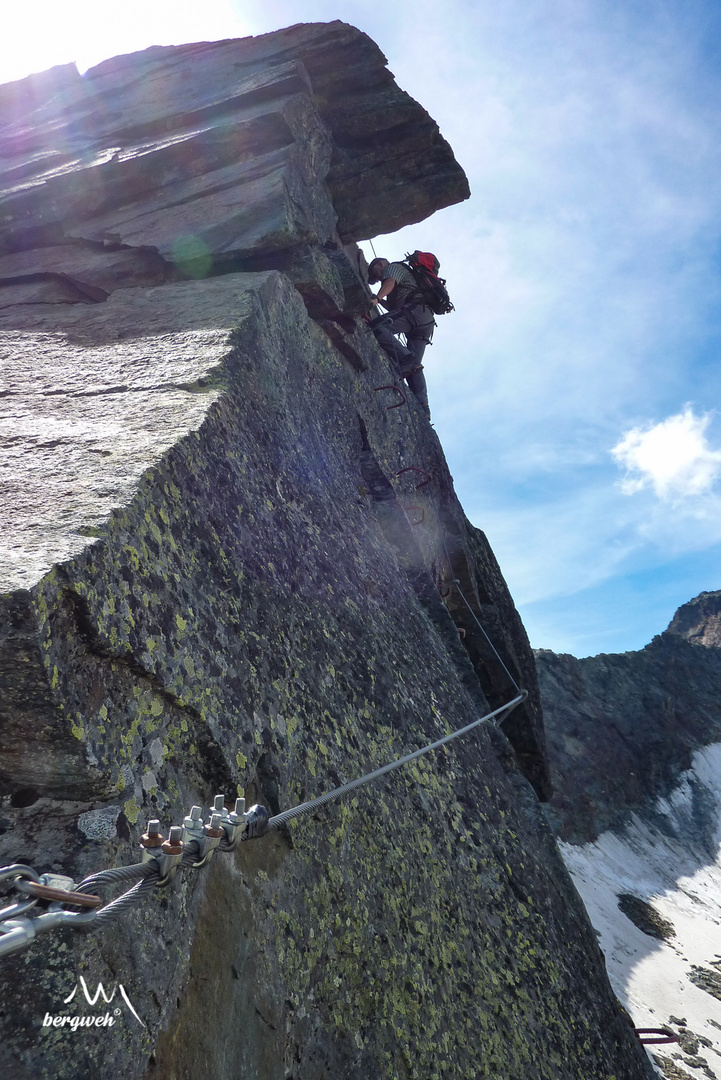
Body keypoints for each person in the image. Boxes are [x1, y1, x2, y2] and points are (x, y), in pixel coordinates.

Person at [367, 256, 434, 418]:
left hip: (415, 311)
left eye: (375, 273)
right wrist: (377, 297)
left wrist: (376, 298)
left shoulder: (393, 268)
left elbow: (389, 283)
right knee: (415, 366)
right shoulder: (403, 282)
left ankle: (406, 359)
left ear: (381, 264)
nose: (377, 279)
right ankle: (423, 406)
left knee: (378, 326)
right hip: (426, 322)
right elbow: (391, 306)